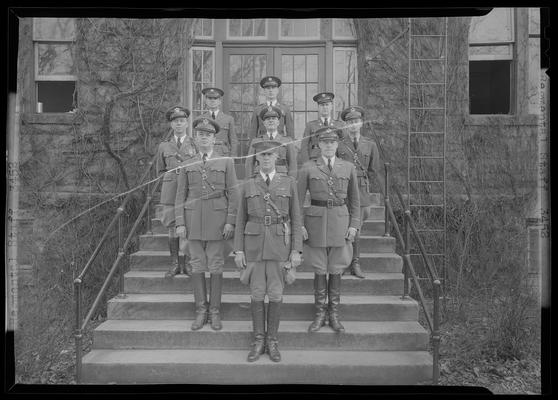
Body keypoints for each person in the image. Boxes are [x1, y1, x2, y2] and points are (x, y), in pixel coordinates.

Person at [234, 139, 303, 362]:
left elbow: (296, 217)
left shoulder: (289, 182)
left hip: (279, 246)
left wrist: (296, 251)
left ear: (277, 158)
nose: (266, 158)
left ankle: (272, 341)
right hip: (253, 246)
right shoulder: (247, 184)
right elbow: (239, 218)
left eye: (270, 155)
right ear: (256, 159)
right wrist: (238, 250)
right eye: (262, 155)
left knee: (275, 294)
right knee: (256, 294)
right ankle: (258, 340)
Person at [175, 117, 239, 331]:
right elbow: (180, 196)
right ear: (196, 137)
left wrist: (231, 221)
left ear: (214, 139)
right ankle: (201, 311)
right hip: (192, 220)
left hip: (218, 221)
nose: (205, 138)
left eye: (208, 135)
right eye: (201, 134)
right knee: (197, 265)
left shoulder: (226, 162)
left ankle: (215, 311)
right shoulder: (187, 163)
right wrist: (180, 223)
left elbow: (233, 193)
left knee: (216, 265)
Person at [297, 126, 360, 333]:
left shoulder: (348, 167)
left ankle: (334, 315)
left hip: (341, 222)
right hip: (315, 221)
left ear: (338, 144)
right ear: (318, 145)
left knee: (336, 268)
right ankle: (319, 314)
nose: (329, 146)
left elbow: (355, 201)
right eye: (324, 142)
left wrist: (353, 225)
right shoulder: (307, 167)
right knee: (319, 268)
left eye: (332, 142)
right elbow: (297, 202)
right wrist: (300, 226)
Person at [337, 106, 382, 279]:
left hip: (362, 190)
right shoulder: (340, 145)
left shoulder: (369, 144)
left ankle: (355, 263)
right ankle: (343, 262)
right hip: (343, 189)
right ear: (346, 125)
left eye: (356, 122)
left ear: (361, 123)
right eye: (349, 122)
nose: (353, 125)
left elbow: (374, 169)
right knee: (342, 226)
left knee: (357, 229)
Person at [156, 106, 196, 278]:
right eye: (175, 121)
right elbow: (159, 171)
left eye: (182, 121)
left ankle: (187, 263)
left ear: (187, 123)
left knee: (188, 226)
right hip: (171, 191)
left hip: (190, 190)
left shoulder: (194, 143)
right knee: (172, 227)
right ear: (171, 125)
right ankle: (174, 264)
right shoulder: (164, 146)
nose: (179, 124)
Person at [245, 105, 297, 179]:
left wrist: (292, 182)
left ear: (278, 122)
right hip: (260, 179)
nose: (271, 121)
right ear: (264, 123)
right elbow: (249, 164)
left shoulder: (287, 141)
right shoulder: (256, 141)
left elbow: (292, 164)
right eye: (268, 119)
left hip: (281, 179)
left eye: (273, 118)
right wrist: (249, 182)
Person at [299, 92, 345, 165]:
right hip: (315, 161)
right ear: (318, 107)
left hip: (335, 162)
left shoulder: (339, 125)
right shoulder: (310, 125)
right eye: (322, 105)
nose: (325, 107)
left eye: (327, 105)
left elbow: (343, 146)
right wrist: (307, 164)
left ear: (331, 106)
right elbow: (304, 147)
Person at [249, 76, 294, 141]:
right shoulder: (257, 110)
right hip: (262, 145)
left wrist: (289, 148)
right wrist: (253, 149)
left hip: (280, 144)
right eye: (268, 88)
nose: (271, 90)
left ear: (277, 90)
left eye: (273, 88)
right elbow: (253, 133)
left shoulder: (285, 109)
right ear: (264, 91)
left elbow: (290, 132)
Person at [200, 87, 238, 158]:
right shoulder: (200, 119)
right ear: (206, 101)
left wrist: (232, 157)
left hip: (222, 153)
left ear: (220, 101)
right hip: (205, 153)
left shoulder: (228, 119)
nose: (212, 101)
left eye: (215, 98)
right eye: (210, 98)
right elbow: (197, 139)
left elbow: (233, 140)